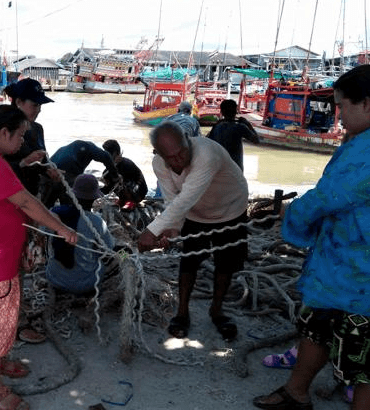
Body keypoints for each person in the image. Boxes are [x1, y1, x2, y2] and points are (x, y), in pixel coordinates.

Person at [253, 65, 370, 410]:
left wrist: (292, 215)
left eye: (343, 106)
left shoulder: (364, 153)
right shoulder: (358, 143)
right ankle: (296, 391)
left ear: (366, 104)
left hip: (356, 271)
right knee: (316, 324)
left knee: (364, 362)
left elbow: (328, 198)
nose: (339, 116)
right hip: (340, 265)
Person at [0, 104, 77, 410]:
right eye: (21, 134)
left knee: (1, 319)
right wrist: (61, 228)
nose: (24, 140)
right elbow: (25, 200)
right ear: (4, 132)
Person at [137, 120, 249, 341]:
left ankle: (217, 310)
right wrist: (171, 229)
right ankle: (182, 313)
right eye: (171, 158)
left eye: (182, 153)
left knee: (225, 265)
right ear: (159, 155)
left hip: (231, 210)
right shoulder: (159, 164)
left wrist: (151, 230)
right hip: (195, 214)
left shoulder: (206, 154)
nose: (179, 160)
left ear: (188, 142)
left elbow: (186, 197)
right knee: (188, 262)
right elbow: (172, 200)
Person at [46, 174, 115, 294]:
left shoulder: (53, 214)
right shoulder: (96, 222)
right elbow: (109, 249)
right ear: (94, 198)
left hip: (54, 279)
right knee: (124, 253)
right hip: (84, 284)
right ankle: (128, 259)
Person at [3, 78, 59, 199]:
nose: (38, 110)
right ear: (19, 102)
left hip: (32, 194)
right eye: (34, 105)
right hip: (8, 195)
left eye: (40, 105)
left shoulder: (38, 129)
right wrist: (24, 162)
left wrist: (49, 170)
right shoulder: (3, 129)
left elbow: (43, 162)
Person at [48, 140, 121, 206]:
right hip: (67, 170)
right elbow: (106, 157)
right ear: (115, 153)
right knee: (70, 202)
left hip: (49, 168)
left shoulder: (75, 147)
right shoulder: (90, 147)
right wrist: (115, 177)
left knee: (49, 199)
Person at [207, 99, 259, 171]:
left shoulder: (217, 127)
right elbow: (256, 140)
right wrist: (248, 125)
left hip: (218, 169)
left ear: (221, 112)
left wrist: (216, 124)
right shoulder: (240, 127)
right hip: (235, 169)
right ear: (236, 111)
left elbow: (207, 141)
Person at [100, 139, 148, 209]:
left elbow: (137, 184)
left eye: (107, 153)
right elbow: (108, 187)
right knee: (107, 176)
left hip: (138, 192)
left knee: (120, 179)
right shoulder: (110, 168)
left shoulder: (127, 165)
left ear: (115, 153)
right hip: (127, 191)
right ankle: (123, 200)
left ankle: (131, 202)